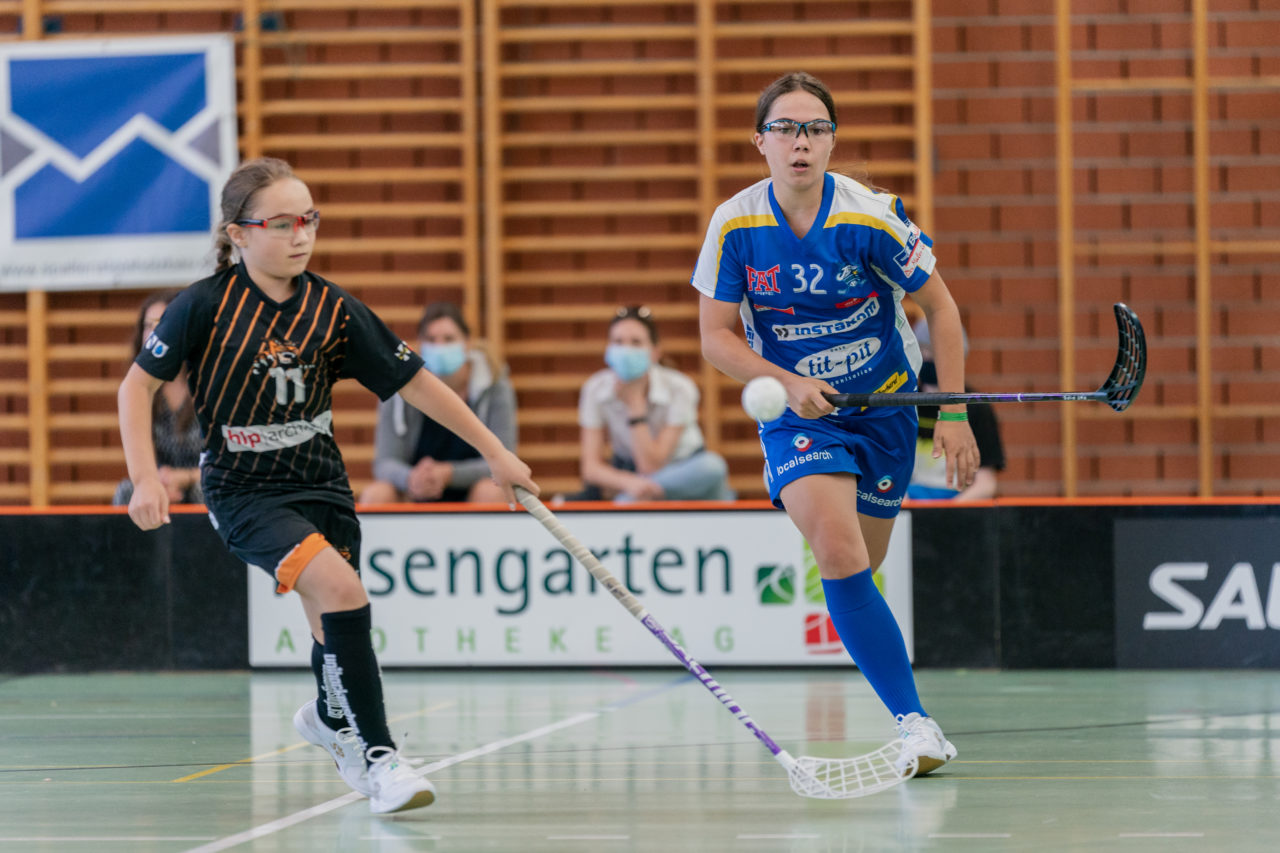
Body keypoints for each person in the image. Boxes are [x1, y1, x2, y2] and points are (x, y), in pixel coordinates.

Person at [117, 157, 539, 814]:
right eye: (280, 222)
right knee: (344, 589)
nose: (300, 233)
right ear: (238, 234)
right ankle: (380, 756)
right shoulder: (202, 306)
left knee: (330, 624)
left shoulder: (334, 308)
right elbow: (135, 385)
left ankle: (325, 717)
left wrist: (496, 453)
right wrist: (145, 476)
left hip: (321, 482)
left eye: (308, 217)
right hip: (244, 490)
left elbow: (417, 383)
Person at [692, 72, 978, 776]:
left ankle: (901, 699)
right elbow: (716, 337)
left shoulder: (871, 216)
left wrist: (954, 409)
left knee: (864, 565)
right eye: (786, 128)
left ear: (831, 142)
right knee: (841, 556)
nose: (801, 142)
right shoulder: (736, 224)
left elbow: (942, 309)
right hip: (799, 417)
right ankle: (917, 723)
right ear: (760, 141)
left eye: (815, 129)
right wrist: (788, 384)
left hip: (883, 407)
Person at [572, 305, 733, 503]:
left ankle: (632, 499)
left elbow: (651, 466)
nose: (626, 349)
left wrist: (635, 405)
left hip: (685, 471)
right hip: (632, 476)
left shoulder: (680, 387)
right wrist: (630, 483)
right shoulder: (595, 389)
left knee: (712, 466)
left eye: (636, 342)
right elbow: (590, 468)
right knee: (630, 498)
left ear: (655, 352)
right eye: (618, 342)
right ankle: (635, 497)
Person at [360, 302, 514, 504]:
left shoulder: (492, 386)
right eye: (431, 339)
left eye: (449, 339)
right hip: (416, 489)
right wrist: (412, 478)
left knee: (491, 490)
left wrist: (448, 473)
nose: (440, 346)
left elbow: (505, 459)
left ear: (467, 343)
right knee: (377, 493)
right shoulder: (401, 385)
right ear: (421, 345)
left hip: (471, 488)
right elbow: (383, 463)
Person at [112, 290, 203, 507]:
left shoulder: (209, 383)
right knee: (126, 491)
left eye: (162, 324)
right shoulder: (139, 390)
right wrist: (154, 482)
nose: (154, 333)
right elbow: (142, 460)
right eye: (148, 326)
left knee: (205, 491)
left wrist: (186, 478)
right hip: (160, 483)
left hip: (202, 482)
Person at [908, 320, 1006, 500]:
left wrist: (951, 511)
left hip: (958, 503)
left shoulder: (977, 407)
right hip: (907, 503)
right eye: (922, 352)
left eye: (933, 353)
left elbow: (986, 482)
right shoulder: (905, 403)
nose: (927, 357)